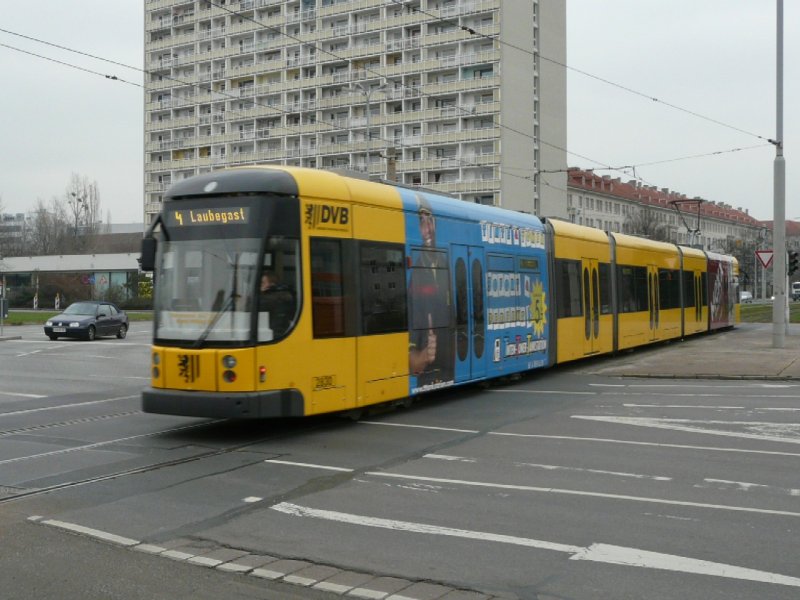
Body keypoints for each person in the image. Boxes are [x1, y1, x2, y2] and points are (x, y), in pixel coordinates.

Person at [408, 194, 454, 389]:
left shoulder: (447, 266)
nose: (427, 229)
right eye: (421, 222)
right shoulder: (414, 277)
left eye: (430, 221)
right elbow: (412, 362)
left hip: (451, 366)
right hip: (429, 375)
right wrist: (421, 356)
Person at [258, 271, 294, 337]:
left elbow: (251, 307)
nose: (260, 286)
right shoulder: (284, 295)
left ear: (272, 285)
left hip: (274, 334)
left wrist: (261, 294)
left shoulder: (270, 299)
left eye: (263, 283)